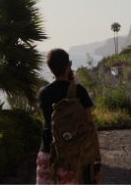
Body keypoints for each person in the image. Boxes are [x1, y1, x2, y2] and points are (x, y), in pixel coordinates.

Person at [37, 48, 101, 184]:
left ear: (50, 69)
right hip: (72, 156)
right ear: (67, 66)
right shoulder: (79, 91)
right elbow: (90, 126)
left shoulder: (43, 93)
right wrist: (97, 158)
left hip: (47, 154)